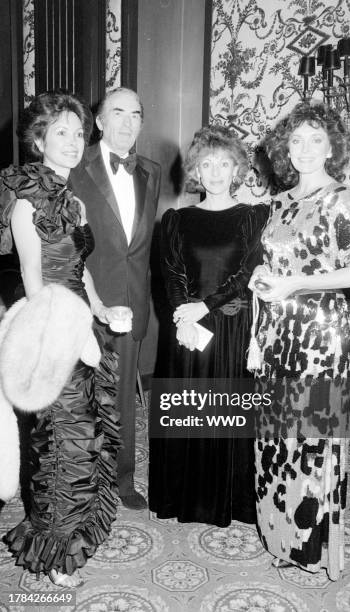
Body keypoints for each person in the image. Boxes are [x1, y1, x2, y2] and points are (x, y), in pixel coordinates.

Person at [248, 102, 350, 580]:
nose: (303, 150)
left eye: (315, 141)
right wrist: (266, 277)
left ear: (331, 149)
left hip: (320, 336)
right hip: (278, 331)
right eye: (296, 140)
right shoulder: (280, 202)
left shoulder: (339, 199)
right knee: (275, 438)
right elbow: (278, 263)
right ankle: (278, 533)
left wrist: (294, 285)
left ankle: (310, 544)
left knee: (312, 441)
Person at [0, 90, 123, 587]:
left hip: (81, 325)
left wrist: (101, 309)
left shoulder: (72, 199)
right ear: (38, 140)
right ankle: (54, 552)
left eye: (78, 133)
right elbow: (34, 282)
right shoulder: (26, 204)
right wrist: (67, 333)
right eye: (61, 133)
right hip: (51, 331)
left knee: (85, 439)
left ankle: (72, 534)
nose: (74, 142)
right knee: (60, 444)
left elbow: (81, 270)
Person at [148, 125, 268, 526]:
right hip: (187, 328)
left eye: (224, 163)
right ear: (197, 169)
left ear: (237, 170)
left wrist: (204, 307)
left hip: (231, 327)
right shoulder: (176, 218)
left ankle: (230, 500)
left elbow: (246, 272)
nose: (215, 171)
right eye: (207, 163)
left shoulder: (255, 216)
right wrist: (183, 313)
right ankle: (184, 498)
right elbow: (171, 271)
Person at [70, 87, 161, 509]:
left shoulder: (151, 171)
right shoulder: (74, 164)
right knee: (77, 400)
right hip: (82, 300)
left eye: (136, 114)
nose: (128, 122)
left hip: (130, 304)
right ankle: (78, 484)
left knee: (123, 401)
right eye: (118, 113)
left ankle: (122, 482)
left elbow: (138, 247)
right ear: (100, 121)